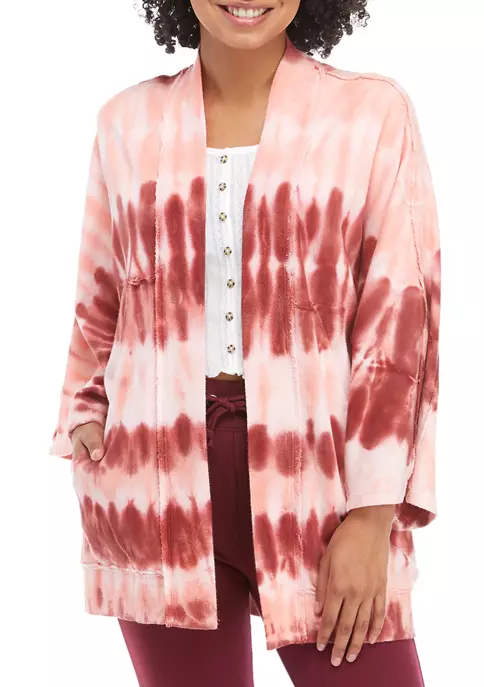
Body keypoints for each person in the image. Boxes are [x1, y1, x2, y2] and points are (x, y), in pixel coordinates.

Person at [49, 1, 441, 685]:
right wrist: (83, 415)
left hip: (320, 481)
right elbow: (99, 296)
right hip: (154, 486)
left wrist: (374, 512)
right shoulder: (125, 123)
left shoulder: (371, 115)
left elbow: (400, 317)